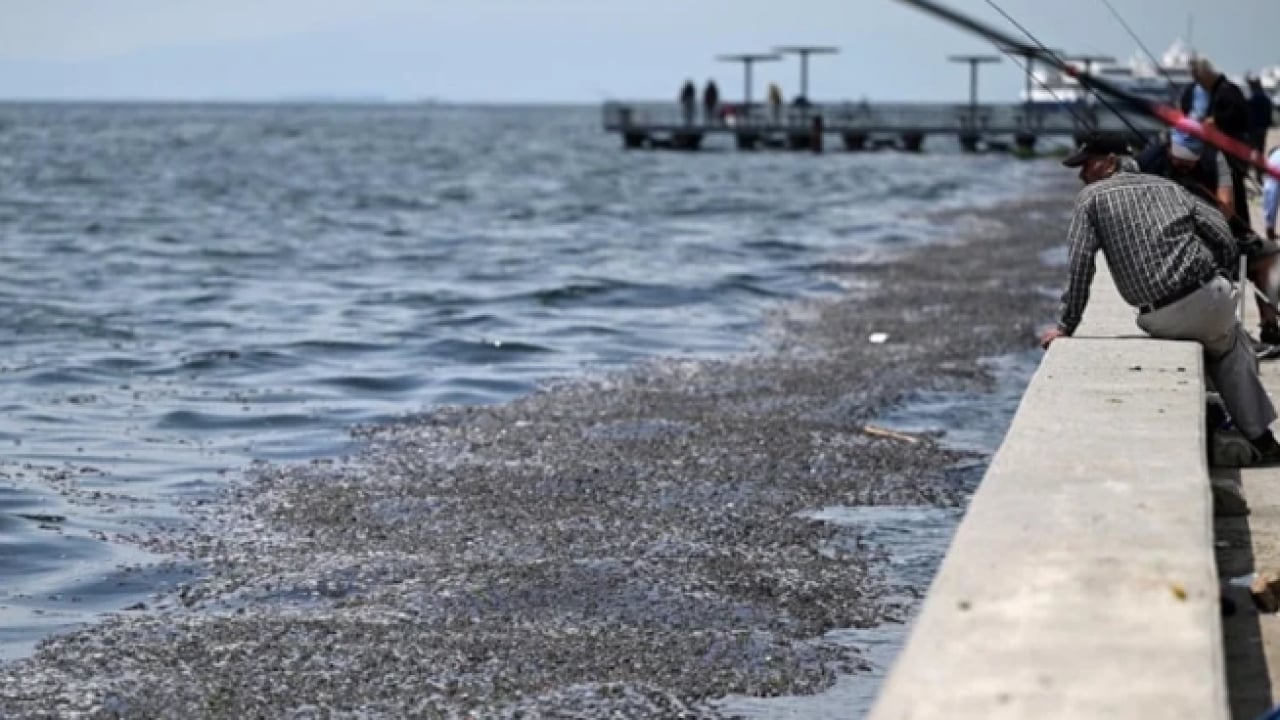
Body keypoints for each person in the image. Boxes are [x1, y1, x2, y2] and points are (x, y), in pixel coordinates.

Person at [1040, 133, 1280, 463]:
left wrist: (1066, 325)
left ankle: (1242, 432)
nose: (1081, 175)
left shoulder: (1089, 200)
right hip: (1210, 296)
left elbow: (1080, 265)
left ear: (1110, 162)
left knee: (1226, 344)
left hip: (1160, 315)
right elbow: (1222, 233)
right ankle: (1260, 436)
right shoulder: (1170, 187)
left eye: (1086, 165)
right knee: (1231, 346)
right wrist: (1222, 273)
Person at [1137, 131, 1280, 346]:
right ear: (1169, 150)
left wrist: (1198, 197)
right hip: (1168, 240)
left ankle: (1269, 326)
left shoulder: (1216, 158)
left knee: (1269, 253)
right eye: (1180, 162)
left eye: (1191, 162)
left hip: (1214, 233)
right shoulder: (1149, 160)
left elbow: (1227, 208)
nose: (1186, 167)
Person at [1183, 57, 1252, 225]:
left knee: (1234, 193)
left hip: (1231, 153)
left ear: (1206, 74)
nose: (1198, 82)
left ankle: (1242, 230)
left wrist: (1216, 121)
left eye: (1199, 78)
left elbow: (1239, 118)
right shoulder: (1208, 92)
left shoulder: (1228, 91)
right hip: (1214, 152)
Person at [1249, 75, 1275, 182]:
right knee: (1260, 149)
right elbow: (1269, 114)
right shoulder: (1265, 98)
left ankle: (1258, 173)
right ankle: (1260, 172)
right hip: (1262, 128)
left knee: (1254, 151)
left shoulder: (1253, 99)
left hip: (1254, 129)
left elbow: (1249, 114)